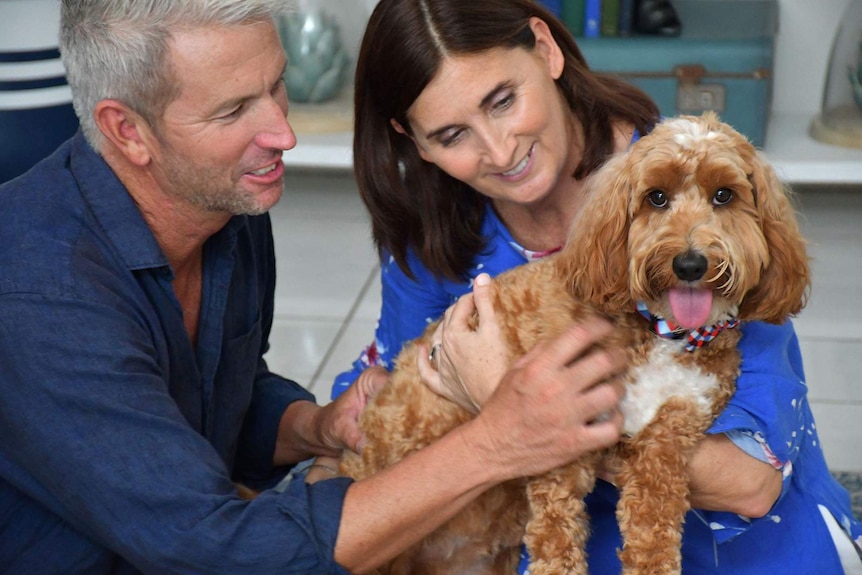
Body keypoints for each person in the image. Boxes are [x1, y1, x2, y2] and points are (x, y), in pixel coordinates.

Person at [0, 1, 630, 573]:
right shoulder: (41, 294)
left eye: (276, 87)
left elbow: (210, 400)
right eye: (234, 110)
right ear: (128, 131)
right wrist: (495, 443)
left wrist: (314, 426)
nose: (283, 133)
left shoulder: (224, 207)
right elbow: (220, 554)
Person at [333, 0, 862, 573]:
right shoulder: (432, 234)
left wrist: (509, 411)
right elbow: (391, 389)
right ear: (411, 138)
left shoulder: (699, 186)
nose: (500, 150)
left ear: (546, 47)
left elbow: (750, 484)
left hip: (739, 542)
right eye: (452, 133)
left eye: (504, 100)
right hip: (559, 537)